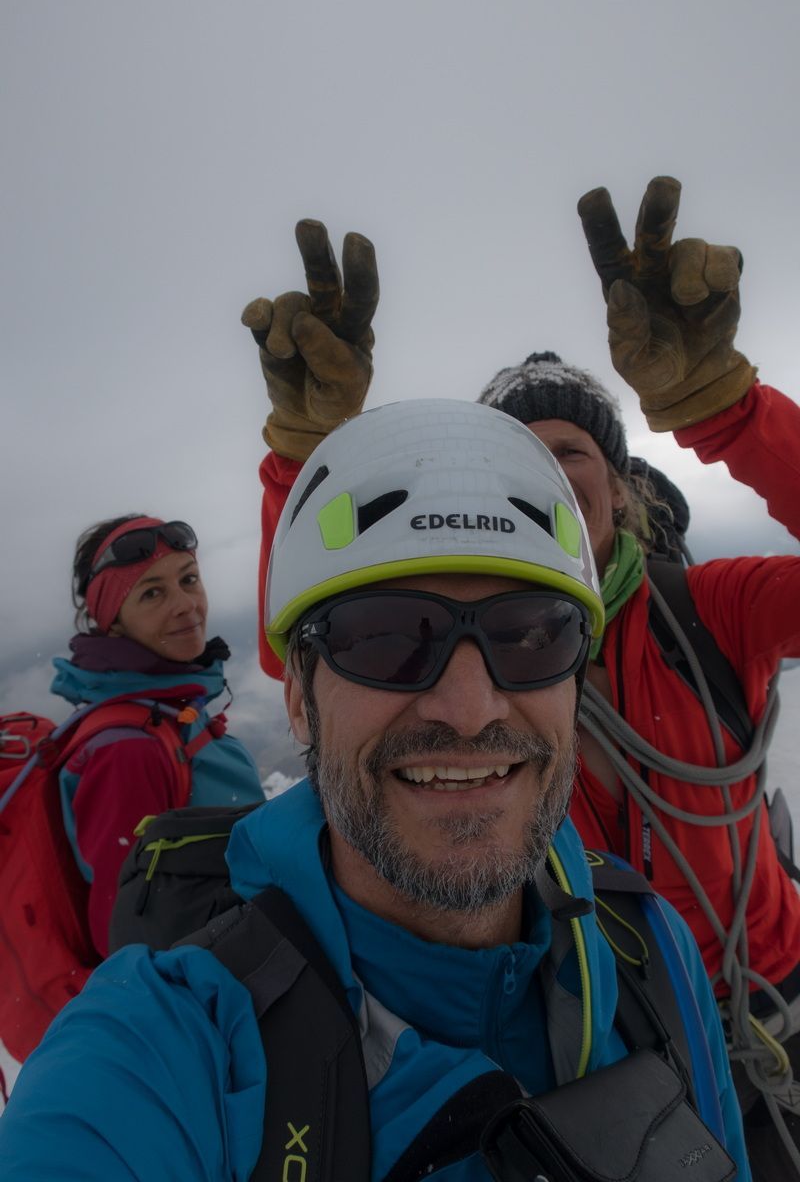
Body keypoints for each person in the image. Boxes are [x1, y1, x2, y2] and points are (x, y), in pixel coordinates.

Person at [0, 400, 750, 1179]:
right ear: (300, 700)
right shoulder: (161, 1057)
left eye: (533, 635)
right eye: (387, 638)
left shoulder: (648, 943)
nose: (470, 709)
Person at [242, 179, 800, 1177]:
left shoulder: (707, 610)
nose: (545, 470)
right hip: (603, 1022)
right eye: (518, 455)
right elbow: (316, 653)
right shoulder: (451, 655)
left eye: (570, 450)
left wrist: (729, 412)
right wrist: (306, 462)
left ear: (617, 483)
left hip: (774, 1003)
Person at [55, 513, 266, 955]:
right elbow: (127, 943)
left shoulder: (172, 711)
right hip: (222, 984)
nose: (186, 605)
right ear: (113, 621)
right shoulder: (128, 750)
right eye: (152, 593)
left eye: (189, 579)